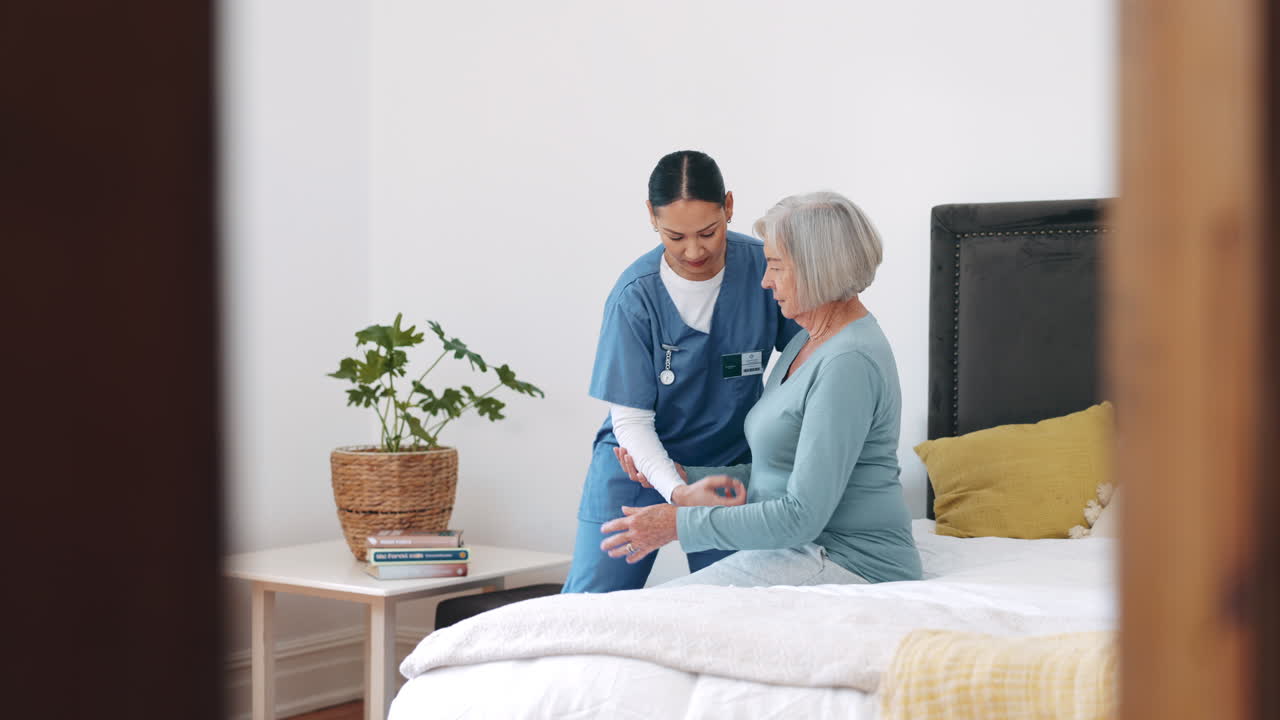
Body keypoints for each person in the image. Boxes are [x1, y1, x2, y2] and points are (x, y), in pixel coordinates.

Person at [602, 191, 922, 587]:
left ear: (816, 268)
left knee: (666, 615)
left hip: (853, 561)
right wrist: (689, 475)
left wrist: (678, 524)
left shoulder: (848, 362)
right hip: (806, 550)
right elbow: (781, 473)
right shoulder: (805, 343)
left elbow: (800, 515)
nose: (764, 281)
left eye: (776, 267)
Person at [561, 151, 801, 593]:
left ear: (729, 207)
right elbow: (631, 419)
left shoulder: (764, 270)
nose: (695, 251)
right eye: (676, 236)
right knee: (593, 607)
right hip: (635, 466)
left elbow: (807, 355)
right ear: (651, 217)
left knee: (732, 607)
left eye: (709, 232)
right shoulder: (635, 296)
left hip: (725, 467)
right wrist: (676, 492)